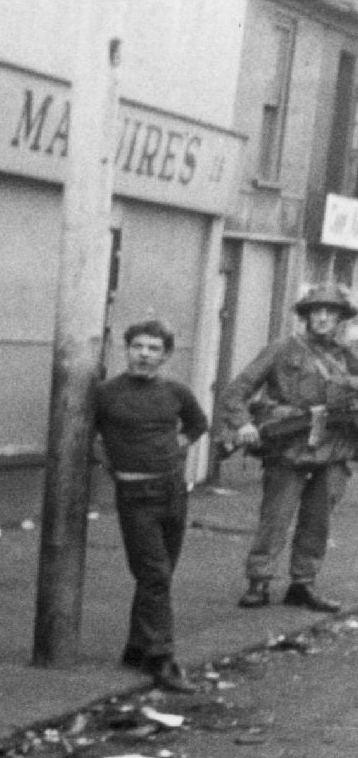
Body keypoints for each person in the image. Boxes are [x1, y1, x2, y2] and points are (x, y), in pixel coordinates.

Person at [224, 281, 358, 612]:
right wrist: (243, 424)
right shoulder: (283, 348)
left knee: (318, 521)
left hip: (334, 449)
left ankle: (303, 584)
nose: (324, 317)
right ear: (306, 315)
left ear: (341, 318)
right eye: (317, 311)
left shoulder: (348, 356)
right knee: (276, 517)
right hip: (290, 447)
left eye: (331, 312)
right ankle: (259, 581)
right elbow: (237, 390)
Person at [92, 320, 208, 689]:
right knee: (154, 574)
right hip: (136, 497)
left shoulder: (176, 392)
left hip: (173, 493)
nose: (144, 354)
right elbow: (88, 436)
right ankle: (162, 659)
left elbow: (198, 424)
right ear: (126, 349)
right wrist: (113, 465)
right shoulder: (106, 393)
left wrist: (180, 447)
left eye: (153, 348)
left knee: (159, 575)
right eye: (138, 346)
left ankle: (137, 648)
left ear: (165, 355)